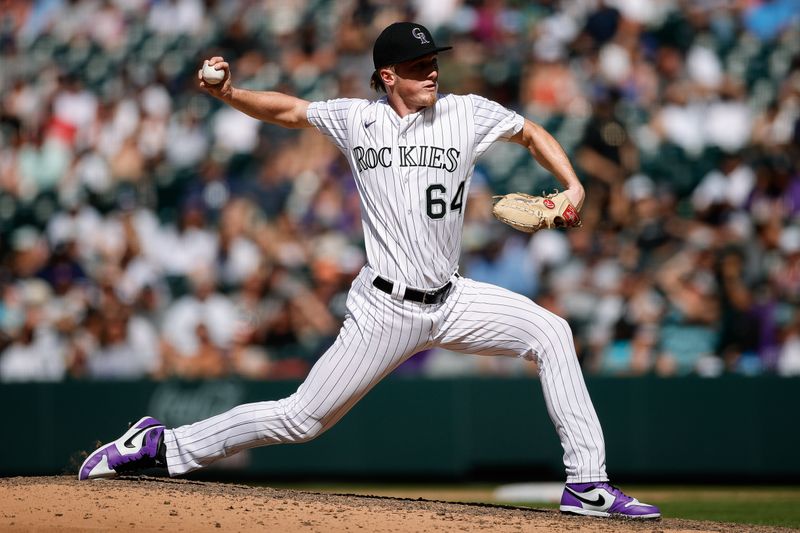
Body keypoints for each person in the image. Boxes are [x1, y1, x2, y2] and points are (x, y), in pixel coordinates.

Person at [78, 22, 660, 520]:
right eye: (419, 66)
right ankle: (162, 444)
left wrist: (573, 185)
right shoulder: (359, 120)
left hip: (451, 298)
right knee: (300, 419)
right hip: (384, 307)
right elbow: (291, 110)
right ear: (388, 76)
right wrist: (231, 93)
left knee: (552, 332)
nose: (432, 73)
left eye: (434, 63)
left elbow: (531, 132)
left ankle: (587, 483)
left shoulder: (465, 113)